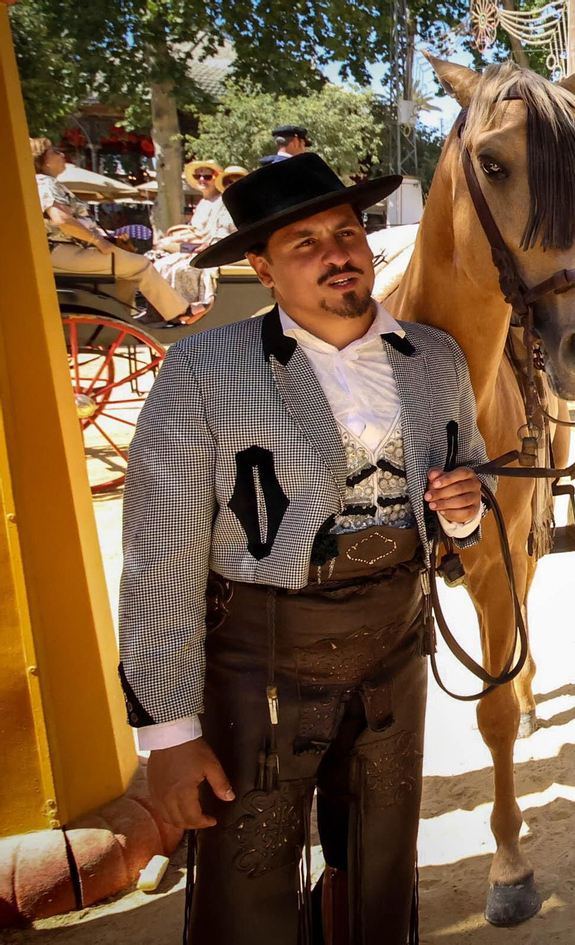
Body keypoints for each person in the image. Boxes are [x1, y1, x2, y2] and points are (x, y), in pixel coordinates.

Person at [118, 153, 491, 943]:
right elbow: (160, 556)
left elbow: (470, 494)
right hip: (260, 660)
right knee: (247, 875)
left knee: (381, 869)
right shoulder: (202, 369)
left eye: (347, 232)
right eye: (305, 243)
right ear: (261, 264)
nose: (337, 254)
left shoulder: (436, 358)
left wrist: (462, 514)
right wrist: (170, 735)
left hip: (395, 647)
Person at [32, 137, 188, 321]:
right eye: (55, 152)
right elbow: (62, 219)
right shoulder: (45, 182)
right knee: (141, 264)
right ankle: (181, 313)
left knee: (128, 272)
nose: (62, 154)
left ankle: (125, 318)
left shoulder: (40, 182)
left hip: (59, 252)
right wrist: (97, 241)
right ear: (45, 160)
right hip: (62, 252)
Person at [151, 160, 237, 320]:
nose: (202, 180)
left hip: (222, 252)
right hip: (210, 248)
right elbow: (206, 233)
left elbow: (210, 235)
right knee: (161, 264)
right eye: (199, 176)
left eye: (207, 176)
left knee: (181, 268)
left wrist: (188, 247)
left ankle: (190, 308)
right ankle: (168, 309)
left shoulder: (225, 204)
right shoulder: (211, 203)